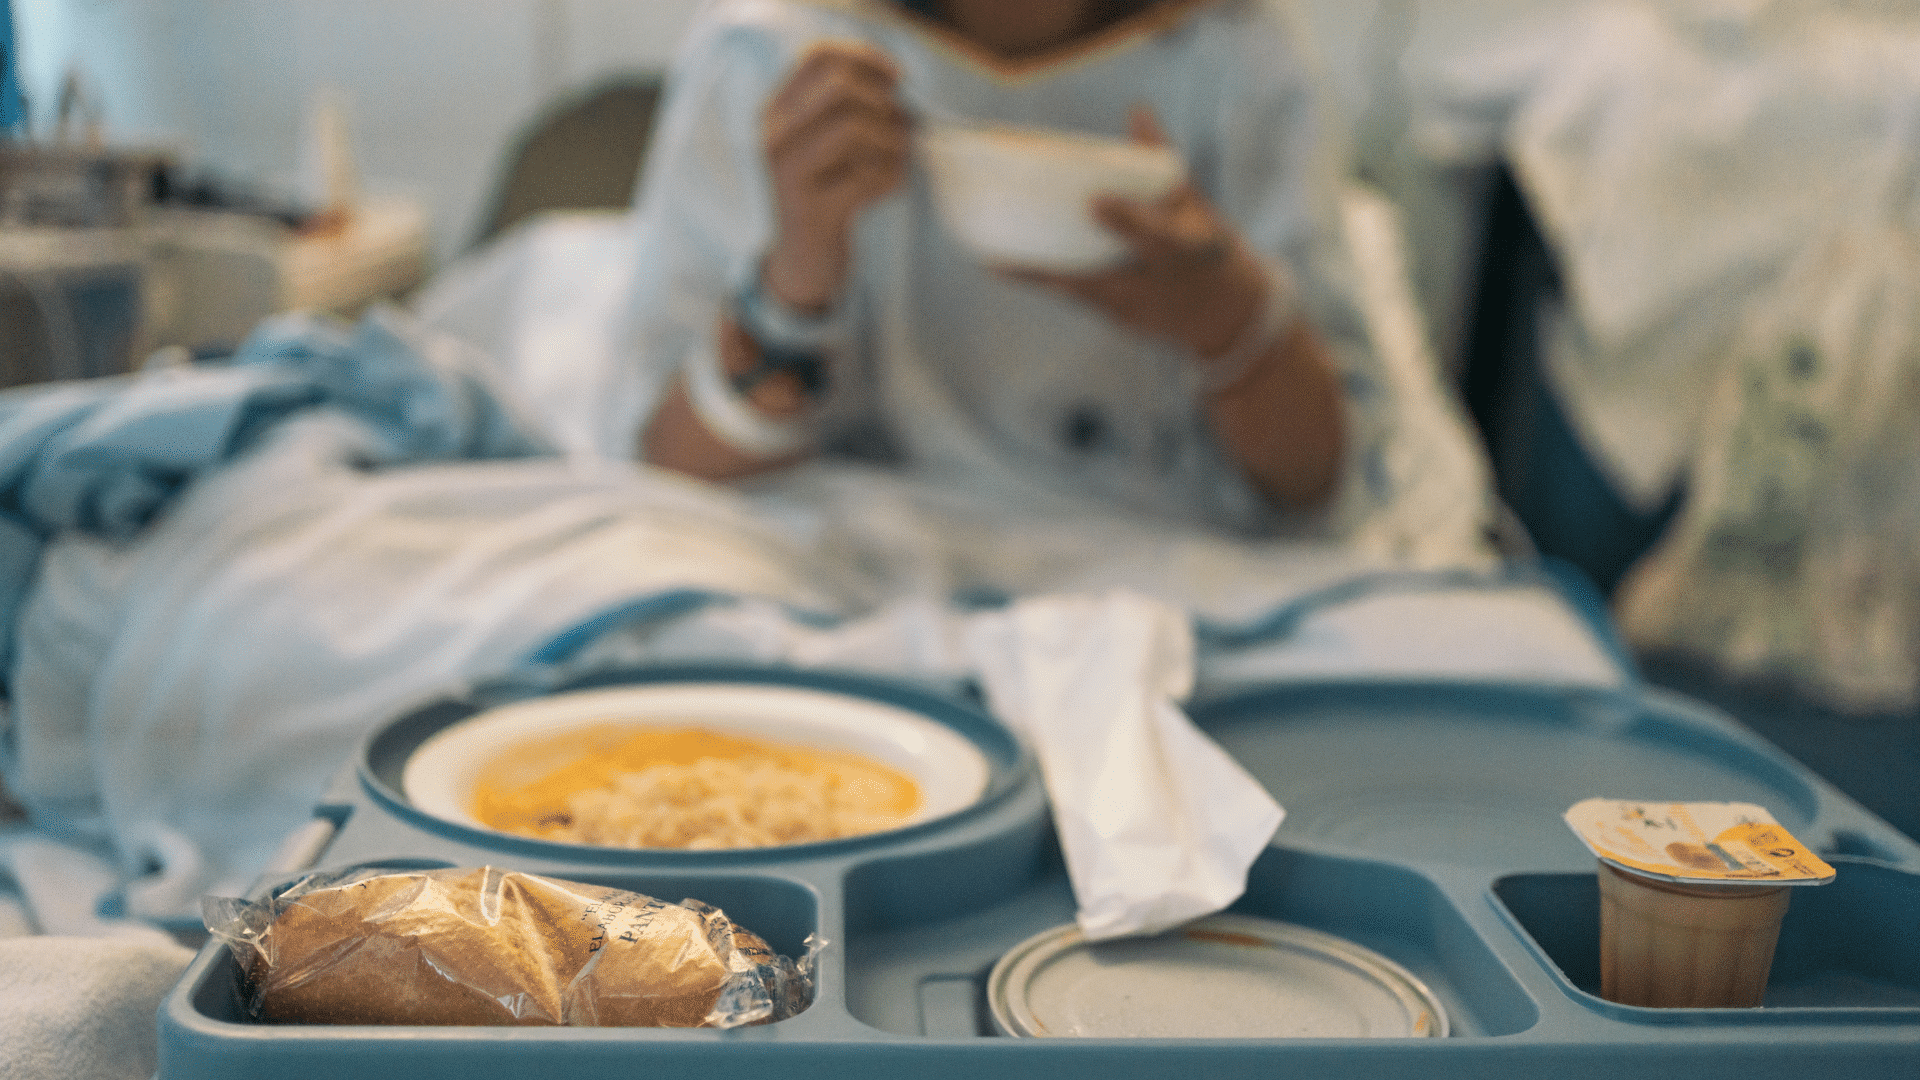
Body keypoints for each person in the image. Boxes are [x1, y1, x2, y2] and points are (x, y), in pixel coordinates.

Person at [625, 0, 1360, 536]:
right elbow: (670, 472)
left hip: (1156, 565)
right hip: (854, 570)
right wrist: (796, 281)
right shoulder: (771, 52)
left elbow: (1314, 483)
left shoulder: (1239, 60)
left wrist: (1228, 318)